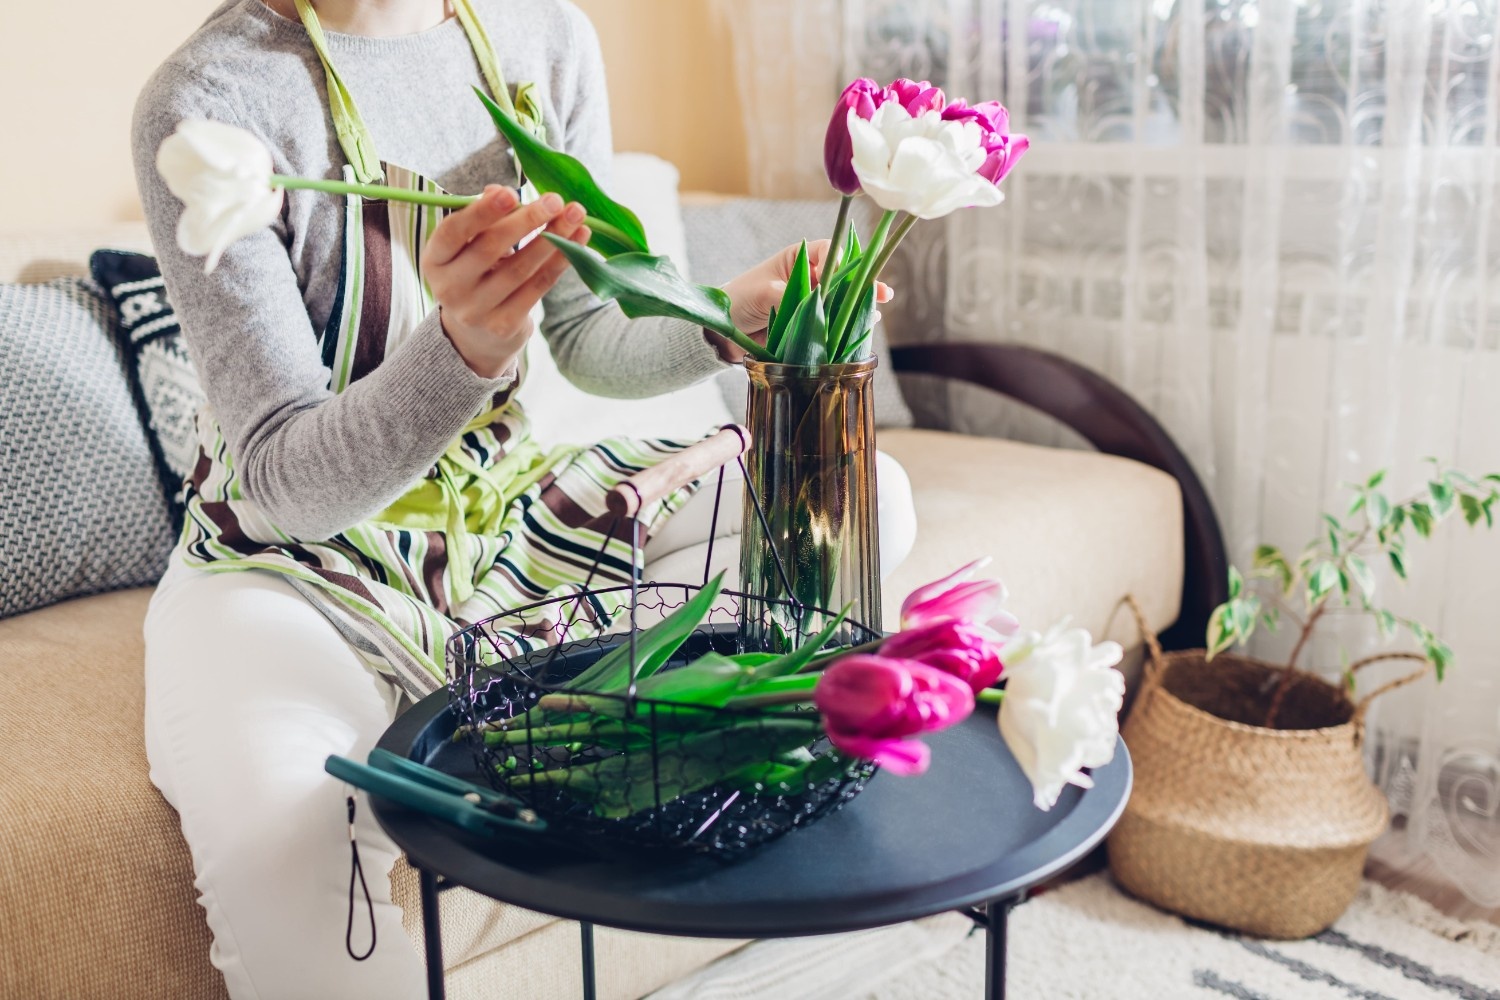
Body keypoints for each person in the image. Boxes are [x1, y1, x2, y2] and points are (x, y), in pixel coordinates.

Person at [133, 1, 916, 996]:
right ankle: (509, 729)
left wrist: (722, 320)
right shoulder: (210, 104)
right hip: (287, 570)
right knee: (289, 876)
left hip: (502, 526)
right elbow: (289, 483)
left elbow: (591, 338)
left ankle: (560, 737)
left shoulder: (540, 37)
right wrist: (462, 351)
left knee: (858, 503)